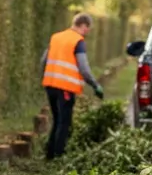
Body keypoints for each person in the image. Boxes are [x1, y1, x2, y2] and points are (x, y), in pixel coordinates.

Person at [40, 13, 104, 159]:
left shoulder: (56, 37)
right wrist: (95, 85)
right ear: (83, 26)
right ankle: (58, 155)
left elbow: (43, 60)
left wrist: (45, 78)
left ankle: (49, 154)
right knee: (64, 121)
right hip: (65, 88)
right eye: (88, 29)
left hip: (50, 85)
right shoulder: (78, 41)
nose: (88, 32)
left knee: (57, 119)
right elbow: (84, 69)